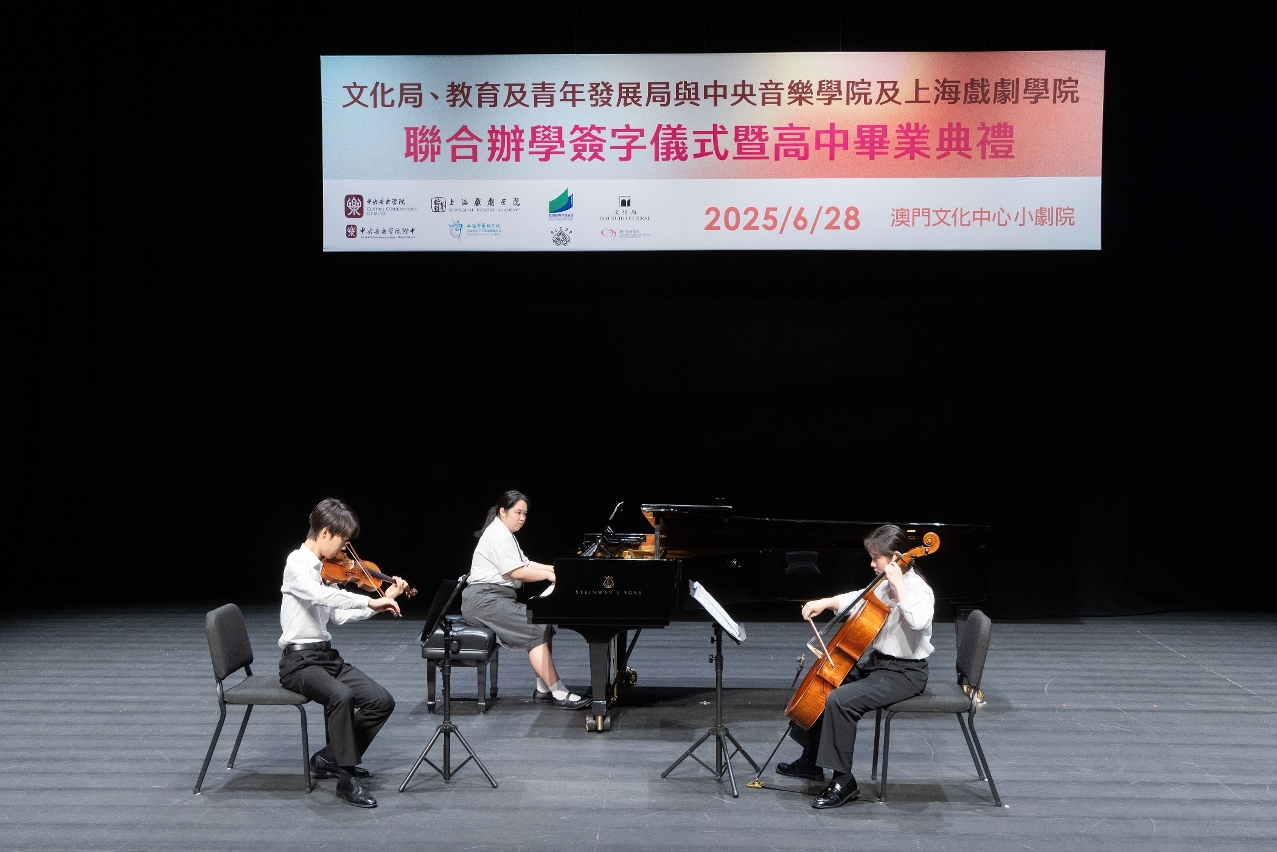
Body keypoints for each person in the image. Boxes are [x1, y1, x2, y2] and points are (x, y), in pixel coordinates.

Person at [777, 524, 935, 809]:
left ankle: (844, 781)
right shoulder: (884, 584)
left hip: (905, 674)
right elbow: (859, 597)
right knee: (826, 683)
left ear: (896, 557)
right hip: (879, 665)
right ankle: (811, 761)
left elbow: (919, 621)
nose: (872, 563)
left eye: (876, 558)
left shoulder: (918, 590)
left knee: (841, 700)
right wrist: (825, 602)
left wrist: (899, 585)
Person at [278, 497, 409, 808]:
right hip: (298, 663)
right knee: (342, 696)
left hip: (325, 657)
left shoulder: (323, 570)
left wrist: (379, 604)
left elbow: (337, 614)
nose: (344, 551)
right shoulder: (297, 564)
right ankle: (347, 778)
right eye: (342, 541)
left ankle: (330, 758)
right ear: (325, 533)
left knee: (381, 701)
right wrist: (370, 600)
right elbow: (320, 595)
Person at [461, 490, 590, 710]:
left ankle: (543, 688)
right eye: (518, 513)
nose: (522, 518)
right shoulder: (497, 535)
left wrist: (557, 568)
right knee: (534, 628)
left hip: (493, 598)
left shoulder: (504, 533)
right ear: (503, 512)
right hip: (484, 600)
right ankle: (559, 692)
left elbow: (526, 563)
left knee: (543, 622)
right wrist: (550, 575)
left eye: (525, 514)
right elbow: (518, 572)